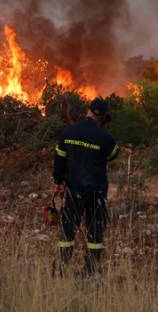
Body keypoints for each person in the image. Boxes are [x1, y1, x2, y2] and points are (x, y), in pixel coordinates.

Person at [52, 97, 124, 274]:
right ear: (104, 116)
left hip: (73, 189)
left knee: (68, 228)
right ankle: (90, 269)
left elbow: (59, 158)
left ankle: (61, 266)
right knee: (95, 230)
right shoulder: (105, 137)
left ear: (88, 110)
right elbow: (113, 154)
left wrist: (58, 181)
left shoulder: (69, 131)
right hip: (96, 192)